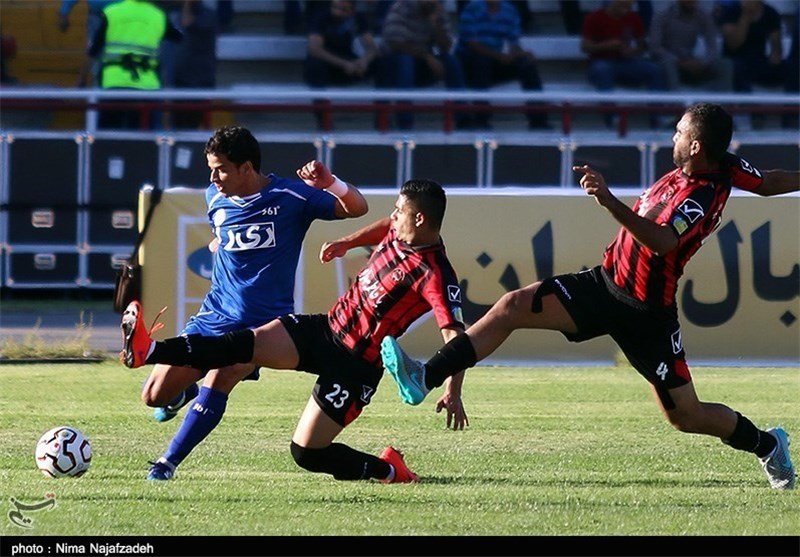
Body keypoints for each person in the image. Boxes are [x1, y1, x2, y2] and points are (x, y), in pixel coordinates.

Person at [380, 103, 798, 491]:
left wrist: (606, 199)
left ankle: (767, 445)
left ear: (695, 145)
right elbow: (769, 182)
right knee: (511, 306)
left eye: (678, 132)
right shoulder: (725, 164)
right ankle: (424, 376)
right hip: (603, 285)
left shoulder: (702, 193)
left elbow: (662, 241)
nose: (671, 137)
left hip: (645, 314)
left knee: (686, 416)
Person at [120, 178, 468, 484]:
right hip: (325, 329)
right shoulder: (400, 229)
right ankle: (150, 351)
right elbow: (384, 227)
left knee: (306, 453)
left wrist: (451, 389)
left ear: (419, 219)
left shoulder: (434, 274)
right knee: (241, 346)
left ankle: (390, 470)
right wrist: (347, 242)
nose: (392, 216)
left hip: (355, 366)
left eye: (398, 211)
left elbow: (455, 337)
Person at [136, 125, 369, 480]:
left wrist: (330, 182)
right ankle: (182, 394)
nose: (213, 178)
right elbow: (222, 239)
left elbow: (357, 207)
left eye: (221, 169)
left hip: (263, 326)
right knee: (153, 395)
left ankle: (167, 463)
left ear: (247, 168)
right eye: (210, 169)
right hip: (215, 315)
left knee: (224, 373)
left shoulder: (292, 195)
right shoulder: (214, 199)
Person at [84, 0, 182, 128]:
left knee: (109, 137)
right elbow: (179, 38)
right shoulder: (158, 16)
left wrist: (81, 79)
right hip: (147, 87)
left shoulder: (111, 13)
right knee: (144, 140)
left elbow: (93, 51)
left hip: (114, 85)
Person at [375, 0, 472, 130]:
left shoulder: (438, 11)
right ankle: (405, 122)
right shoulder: (402, 6)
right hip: (392, 66)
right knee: (405, 60)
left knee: (450, 60)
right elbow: (395, 44)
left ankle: (463, 118)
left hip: (421, 65)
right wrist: (427, 57)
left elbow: (446, 47)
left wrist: (435, 23)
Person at [456, 0, 551, 130]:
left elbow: (514, 44)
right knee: (481, 61)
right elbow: (472, 45)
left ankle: (539, 120)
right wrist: (500, 56)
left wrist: (522, 54)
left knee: (526, 65)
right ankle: (481, 119)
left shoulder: (510, 11)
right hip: (467, 65)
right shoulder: (471, 9)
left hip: (493, 61)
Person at [580, 0, 668, 129]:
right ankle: (611, 116)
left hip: (627, 62)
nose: (625, 10)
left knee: (654, 70)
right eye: (622, 6)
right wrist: (607, 46)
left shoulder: (633, 17)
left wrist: (633, 51)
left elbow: (641, 45)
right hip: (601, 62)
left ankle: (657, 116)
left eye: (628, 7)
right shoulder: (594, 17)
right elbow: (585, 46)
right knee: (602, 69)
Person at [304, 0, 379, 129]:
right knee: (315, 65)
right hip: (328, 64)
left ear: (351, 9)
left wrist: (364, 61)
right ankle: (323, 122)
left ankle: (382, 116)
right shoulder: (321, 16)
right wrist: (344, 64)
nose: (338, 12)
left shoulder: (357, 17)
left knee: (382, 63)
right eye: (335, 7)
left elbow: (372, 48)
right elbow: (314, 49)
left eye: (343, 9)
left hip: (348, 63)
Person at [649, 0, 733, 92]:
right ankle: (676, 102)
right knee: (669, 66)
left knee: (725, 64)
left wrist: (704, 62)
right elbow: (655, 47)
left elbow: (712, 45)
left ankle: (724, 101)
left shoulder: (702, 15)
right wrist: (679, 61)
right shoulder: (662, 15)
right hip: (669, 61)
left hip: (690, 60)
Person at [167, 0, 219, 129]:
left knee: (193, 124)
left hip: (200, 79)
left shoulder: (209, 15)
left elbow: (187, 23)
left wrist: (187, 4)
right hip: (180, 78)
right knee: (177, 124)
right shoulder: (175, 15)